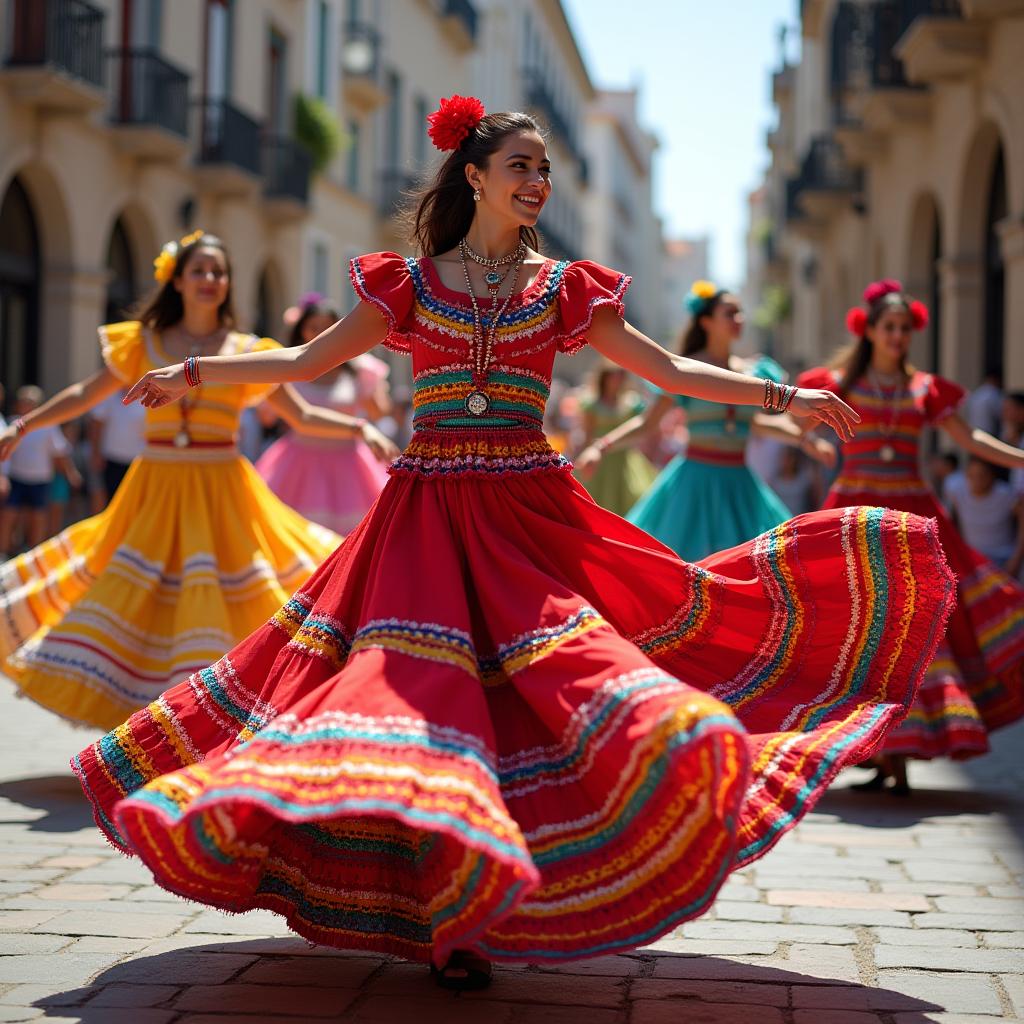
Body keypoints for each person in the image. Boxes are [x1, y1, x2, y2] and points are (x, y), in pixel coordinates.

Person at [74, 99, 953, 990]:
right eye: (522, 167)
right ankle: (450, 921)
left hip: (531, 518)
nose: (537, 183)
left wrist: (780, 399)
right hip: (422, 521)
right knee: (423, 708)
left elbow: (669, 369)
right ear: (476, 176)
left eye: (543, 170)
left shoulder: (566, 287)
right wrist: (193, 372)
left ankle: (475, 914)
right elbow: (305, 367)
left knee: (556, 691)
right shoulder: (409, 285)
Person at [0, 230, 397, 731]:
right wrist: (22, 425)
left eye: (219, 272)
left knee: (236, 600)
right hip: (154, 491)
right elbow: (85, 393)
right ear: (178, 281)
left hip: (223, 491)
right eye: (200, 271)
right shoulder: (140, 343)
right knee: (140, 601)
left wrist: (361, 428)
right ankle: (147, 731)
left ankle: (214, 723)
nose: (210, 280)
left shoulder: (246, 350)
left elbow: (300, 415)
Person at [798, 279, 1024, 794]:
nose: (898, 336)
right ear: (869, 330)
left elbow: (971, 439)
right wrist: (804, 441)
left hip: (912, 520)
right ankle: (883, 753)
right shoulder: (834, 383)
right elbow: (790, 425)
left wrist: (1019, 458)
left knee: (916, 632)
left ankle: (894, 752)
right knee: (861, 629)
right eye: (890, 327)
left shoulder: (925, 389)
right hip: (855, 520)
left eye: (905, 328)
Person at [576, 282, 836, 561]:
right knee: (683, 567)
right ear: (706, 321)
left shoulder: (756, 371)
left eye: (741, 313)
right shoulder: (684, 371)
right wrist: (600, 446)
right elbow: (647, 423)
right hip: (693, 486)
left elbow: (758, 424)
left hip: (741, 486)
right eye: (730, 313)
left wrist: (805, 436)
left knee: (761, 567)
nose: (739, 319)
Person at [255, 295, 393, 533]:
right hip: (298, 466)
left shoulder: (358, 371)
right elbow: (266, 418)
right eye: (314, 327)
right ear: (301, 331)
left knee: (353, 537)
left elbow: (379, 412)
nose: (321, 332)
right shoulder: (289, 369)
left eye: (328, 326)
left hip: (350, 467)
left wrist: (373, 386)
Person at [0, 386, 83, 555]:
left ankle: (33, 553)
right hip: (16, 478)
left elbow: (59, 453)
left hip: (39, 480)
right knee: (9, 516)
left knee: (37, 518)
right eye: (23, 402)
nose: (26, 405)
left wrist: (70, 474)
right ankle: (4, 552)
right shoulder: (10, 424)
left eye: (30, 402)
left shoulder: (47, 426)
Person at [573, 363, 656, 516]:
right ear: (605, 378)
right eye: (614, 376)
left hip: (623, 459)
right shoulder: (592, 404)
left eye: (621, 376)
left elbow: (643, 428)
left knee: (631, 502)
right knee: (596, 502)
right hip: (600, 460)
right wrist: (582, 456)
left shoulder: (632, 403)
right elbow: (587, 434)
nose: (618, 380)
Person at [948, 456, 1024, 578]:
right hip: (972, 563)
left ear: (992, 476)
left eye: (982, 475)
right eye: (972, 476)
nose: (977, 480)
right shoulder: (957, 492)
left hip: (1003, 563)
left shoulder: (1007, 495)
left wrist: (1016, 561)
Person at [88, 387, 147, 509]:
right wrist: (95, 453)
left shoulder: (148, 395)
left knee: (135, 502)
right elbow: (96, 424)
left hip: (139, 462)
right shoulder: (109, 395)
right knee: (112, 502)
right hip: (111, 459)